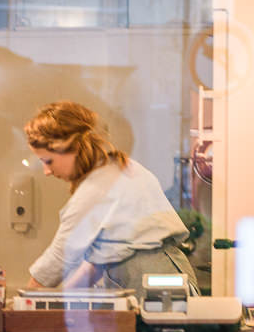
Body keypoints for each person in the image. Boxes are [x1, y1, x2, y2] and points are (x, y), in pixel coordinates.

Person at [24, 101, 197, 298]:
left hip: (154, 283)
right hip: (161, 275)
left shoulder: (96, 189)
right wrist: (65, 299)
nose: (47, 171)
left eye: (48, 161)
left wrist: (23, 303)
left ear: (69, 149)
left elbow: (57, 259)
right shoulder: (121, 168)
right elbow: (98, 261)